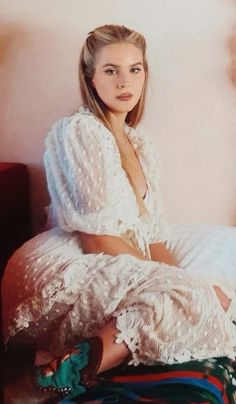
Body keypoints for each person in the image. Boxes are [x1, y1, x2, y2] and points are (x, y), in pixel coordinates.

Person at [2, 24, 236, 402]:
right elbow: (96, 237)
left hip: (113, 257)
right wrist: (172, 286)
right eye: (111, 70)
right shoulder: (80, 131)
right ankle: (35, 383)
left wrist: (186, 284)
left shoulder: (141, 145)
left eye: (136, 69)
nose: (125, 81)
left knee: (218, 295)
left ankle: (72, 365)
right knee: (187, 295)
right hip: (67, 261)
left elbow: (154, 237)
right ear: (90, 77)